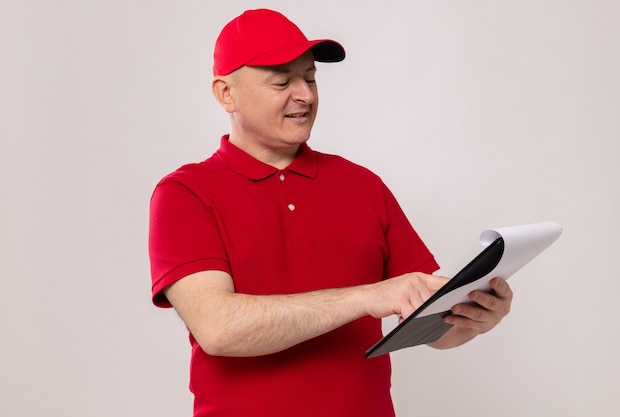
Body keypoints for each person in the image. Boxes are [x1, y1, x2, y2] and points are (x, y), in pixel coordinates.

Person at [149, 8, 513, 417]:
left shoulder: (362, 186)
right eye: (282, 81)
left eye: (310, 78)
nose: (304, 94)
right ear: (225, 93)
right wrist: (368, 296)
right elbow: (218, 328)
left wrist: (470, 317)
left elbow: (431, 324)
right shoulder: (185, 194)